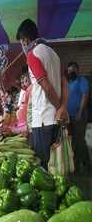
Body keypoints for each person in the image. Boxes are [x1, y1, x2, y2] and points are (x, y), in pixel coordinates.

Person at [16, 19, 68, 169]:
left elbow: (47, 87)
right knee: (56, 165)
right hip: (56, 120)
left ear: (25, 40)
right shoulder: (54, 54)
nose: (22, 46)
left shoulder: (32, 55)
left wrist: (59, 108)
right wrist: (63, 108)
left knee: (43, 168)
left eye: (21, 42)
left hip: (43, 120)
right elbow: (65, 84)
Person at [66, 61, 91, 172]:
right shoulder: (68, 82)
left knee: (78, 141)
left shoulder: (82, 81)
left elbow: (85, 96)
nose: (71, 72)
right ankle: (84, 162)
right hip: (69, 116)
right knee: (77, 140)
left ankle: (78, 165)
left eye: (73, 70)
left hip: (79, 115)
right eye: (69, 70)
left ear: (77, 70)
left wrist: (79, 113)